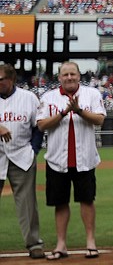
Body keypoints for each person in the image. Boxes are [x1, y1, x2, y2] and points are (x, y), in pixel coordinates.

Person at [37, 61, 106, 260]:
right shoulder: (49, 97)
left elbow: (100, 119)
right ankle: (61, 244)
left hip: (85, 158)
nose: (69, 78)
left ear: (79, 76)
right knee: (60, 203)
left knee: (87, 200)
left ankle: (90, 242)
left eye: (73, 74)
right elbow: (41, 124)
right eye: (65, 74)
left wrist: (79, 111)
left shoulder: (91, 94)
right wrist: (64, 112)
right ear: (59, 77)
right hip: (57, 159)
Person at [0, 64, 45, 259]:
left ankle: (34, 243)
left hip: (22, 155)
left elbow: (39, 127)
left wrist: (33, 150)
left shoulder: (29, 98)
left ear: (11, 80)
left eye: (1, 79)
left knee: (27, 203)